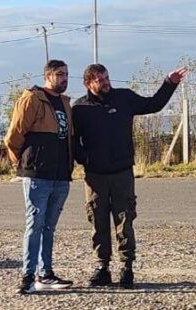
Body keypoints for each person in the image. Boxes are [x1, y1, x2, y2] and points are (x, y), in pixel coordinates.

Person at [72, 63, 186, 288]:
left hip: (122, 172)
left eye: (107, 78)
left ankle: (127, 268)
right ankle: (102, 267)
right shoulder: (80, 109)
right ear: (88, 83)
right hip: (95, 176)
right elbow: (73, 140)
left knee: (125, 220)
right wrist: (83, 158)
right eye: (100, 80)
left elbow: (153, 104)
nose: (106, 83)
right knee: (98, 220)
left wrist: (169, 83)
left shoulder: (124, 98)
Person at [4, 59, 76, 295]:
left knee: (49, 227)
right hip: (38, 174)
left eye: (66, 74)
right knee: (34, 224)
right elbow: (14, 135)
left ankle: (46, 274)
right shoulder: (32, 99)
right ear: (47, 76)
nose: (64, 78)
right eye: (59, 74)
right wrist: (22, 162)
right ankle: (27, 276)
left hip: (61, 175)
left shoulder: (65, 103)